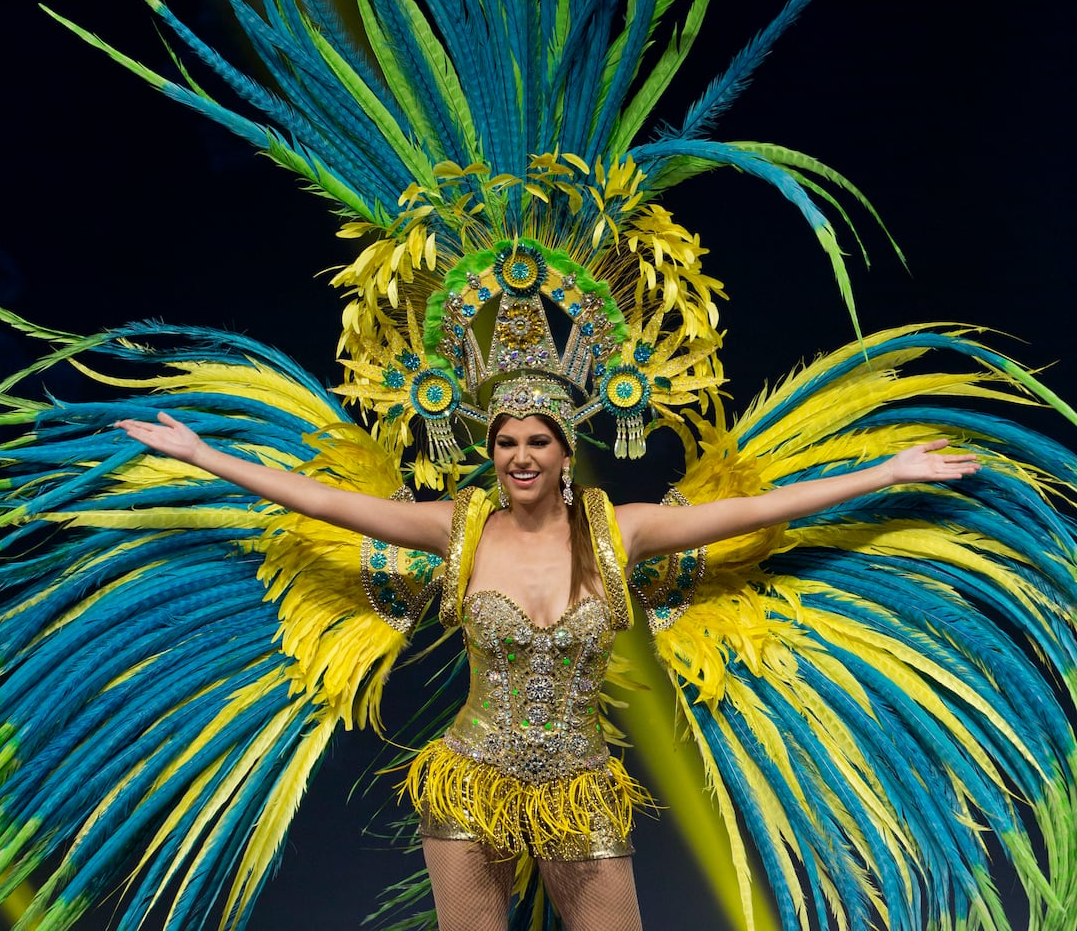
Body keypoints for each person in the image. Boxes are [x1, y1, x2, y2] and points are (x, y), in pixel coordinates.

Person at [115, 380, 981, 931]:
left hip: (580, 783)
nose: (519, 456)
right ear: (489, 454)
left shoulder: (620, 531)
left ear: (566, 454)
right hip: (470, 776)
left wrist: (883, 473)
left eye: (537, 442)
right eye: (504, 442)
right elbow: (326, 503)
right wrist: (204, 457)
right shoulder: (453, 528)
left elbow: (754, 514)